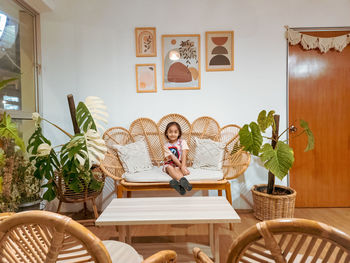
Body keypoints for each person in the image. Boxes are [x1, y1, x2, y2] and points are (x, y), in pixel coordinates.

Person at [163, 121, 192, 195]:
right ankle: (183, 182)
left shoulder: (182, 142)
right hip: (170, 164)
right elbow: (173, 157)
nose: (173, 134)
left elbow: (184, 154)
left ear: (179, 133)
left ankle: (178, 185)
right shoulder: (166, 146)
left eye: (175, 132)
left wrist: (183, 167)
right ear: (166, 133)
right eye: (170, 132)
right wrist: (181, 167)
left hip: (179, 165)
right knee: (169, 167)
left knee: (176, 169)